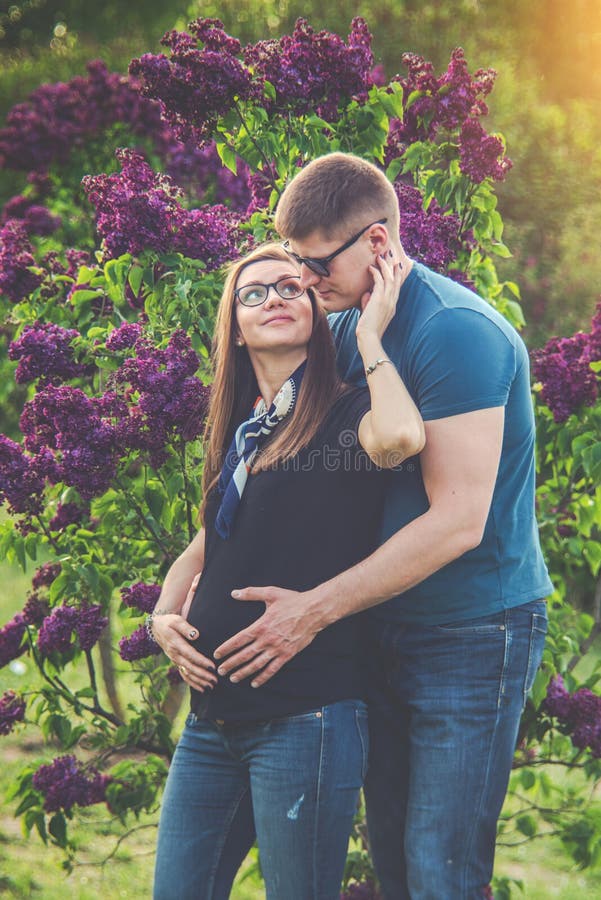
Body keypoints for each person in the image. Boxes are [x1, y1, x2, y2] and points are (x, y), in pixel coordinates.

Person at [209, 153, 553, 899]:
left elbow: (457, 521)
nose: (300, 278)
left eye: (312, 260)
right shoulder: (336, 322)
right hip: (377, 624)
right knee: (394, 865)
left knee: (441, 867)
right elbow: (271, 474)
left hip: (469, 631)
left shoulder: (455, 332)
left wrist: (312, 611)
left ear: (375, 243)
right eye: (290, 258)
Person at [148, 241, 425, 900]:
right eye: (253, 293)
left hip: (305, 717)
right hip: (212, 719)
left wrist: (368, 333)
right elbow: (210, 539)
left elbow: (400, 440)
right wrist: (163, 614)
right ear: (236, 331)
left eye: (289, 287)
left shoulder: (347, 410)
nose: (273, 297)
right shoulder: (246, 428)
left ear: (313, 309)